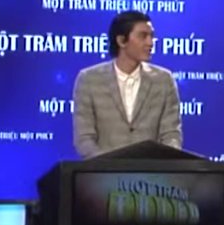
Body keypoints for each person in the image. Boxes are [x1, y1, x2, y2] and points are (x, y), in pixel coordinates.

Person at [72, 10, 183, 158]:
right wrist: (107, 166)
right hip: (104, 170)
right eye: (143, 36)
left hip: (152, 171)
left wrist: (162, 164)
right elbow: (84, 139)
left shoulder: (163, 80)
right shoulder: (89, 80)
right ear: (121, 41)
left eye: (151, 36)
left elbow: (171, 135)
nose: (150, 43)